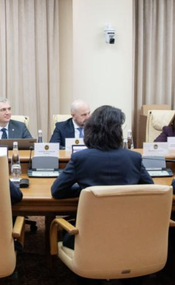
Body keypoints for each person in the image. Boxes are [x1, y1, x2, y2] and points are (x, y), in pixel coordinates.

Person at [51, 105, 153, 250]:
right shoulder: (134, 158)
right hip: (128, 235)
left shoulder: (81, 158)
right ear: (118, 132)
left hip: (88, 239)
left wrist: (84, 190)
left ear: (90, 130)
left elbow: (57, 191)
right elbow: (150, 190)